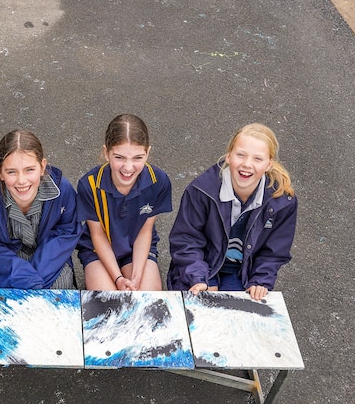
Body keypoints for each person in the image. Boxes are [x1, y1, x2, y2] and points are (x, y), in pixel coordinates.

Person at [167, 123, 297, 301]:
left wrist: (260, 280)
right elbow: (186, 240)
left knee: (236, 318)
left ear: (269, 164)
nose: (247, 164)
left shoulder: (282, 201)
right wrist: (200, 278)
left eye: (258, 159)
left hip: (241, 271)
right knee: (201, 311)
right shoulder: (201, 191)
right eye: (240, 155)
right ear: (229, 156)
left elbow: (274, 251)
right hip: (201, 264)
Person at [0, 130, 80, 289]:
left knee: (58, 292)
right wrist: (21, 275)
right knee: (8, 303)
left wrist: (36, 277)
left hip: (50, 259)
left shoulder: (62, 190)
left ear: (42, 166)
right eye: (11, 172)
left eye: (29, 170)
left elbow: (67, 230)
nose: (21, 181)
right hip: (6, 263)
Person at [76, 114, 173, 291]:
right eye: (119, 157)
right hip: (98, 251)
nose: (128, 167)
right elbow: (97, 235)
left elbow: (145, 231)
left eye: (138, 158)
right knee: (110, 306)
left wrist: (136, 277)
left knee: (146, 301)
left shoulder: (159, 181)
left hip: (135, 248)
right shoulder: (88, 184)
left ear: (148, 152)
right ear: (106, 152)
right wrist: (119, 278)